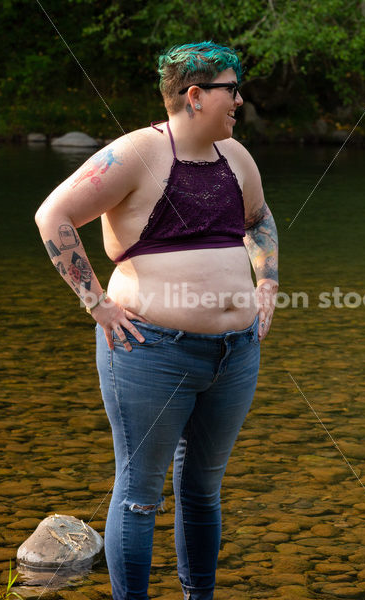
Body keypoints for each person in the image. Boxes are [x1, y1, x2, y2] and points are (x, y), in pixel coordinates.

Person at [35, 41, 278, 600]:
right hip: (151, 351)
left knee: (203, 490)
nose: (239, 100)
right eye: (230, 89)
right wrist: (95, 302)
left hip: (236, 353)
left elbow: (260, 221)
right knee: (141, 493)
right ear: (195, 96)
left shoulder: (236, 158)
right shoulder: (138, 153)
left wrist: (266, 281)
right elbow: (54, 216)